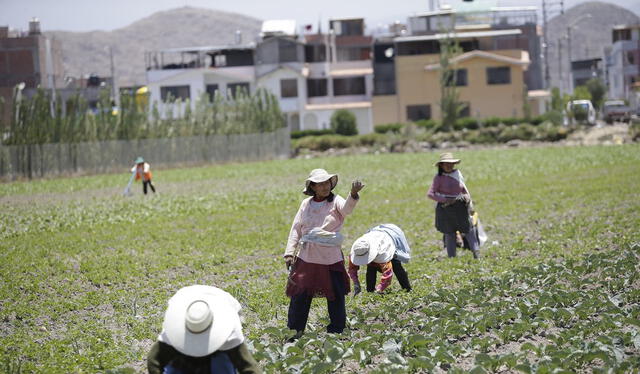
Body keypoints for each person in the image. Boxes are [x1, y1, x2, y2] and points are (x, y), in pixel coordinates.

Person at [284, 168, 364, 341]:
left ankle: (337, 330)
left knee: (335, 295)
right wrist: (289, 253)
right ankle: (294, 331)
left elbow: (347, 209)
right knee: (300, 295)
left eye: (326, 183)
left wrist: (353, 194)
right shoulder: (306, 204)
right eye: (319, 184)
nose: (324, 187)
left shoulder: (335, 201)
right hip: (307, 257)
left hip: (330, 257)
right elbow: (296, 228)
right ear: (312, 186)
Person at [147, 285, 262, 374]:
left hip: (219, 354)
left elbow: (248, 366)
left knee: (221, 363)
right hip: (186, 299)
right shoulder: (173, 332)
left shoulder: (229, 331)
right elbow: (154, 361)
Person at [427, 152, 480, 259]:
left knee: (468, 229)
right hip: (445, 208)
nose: (449, 166)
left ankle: (476, 254)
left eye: (451, 163)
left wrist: (466, 196)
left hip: (460, 206)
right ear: (441, 165)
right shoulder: (438, 178)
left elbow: (463, 189)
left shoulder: (457, 174)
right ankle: (452, 258)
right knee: (449, 232)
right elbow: (431, 194)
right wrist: (445, 200)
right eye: (446, 164)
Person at [348, 223, 412, 294]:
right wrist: (356, 283)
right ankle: (370, 291)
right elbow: (352, 270)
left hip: (391, 235)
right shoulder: (358, 249)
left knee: (396, 266)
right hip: (376, 235)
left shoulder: (384, 253)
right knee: (371, 267)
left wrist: (379, 289)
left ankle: (407, 289)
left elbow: (387, 275)